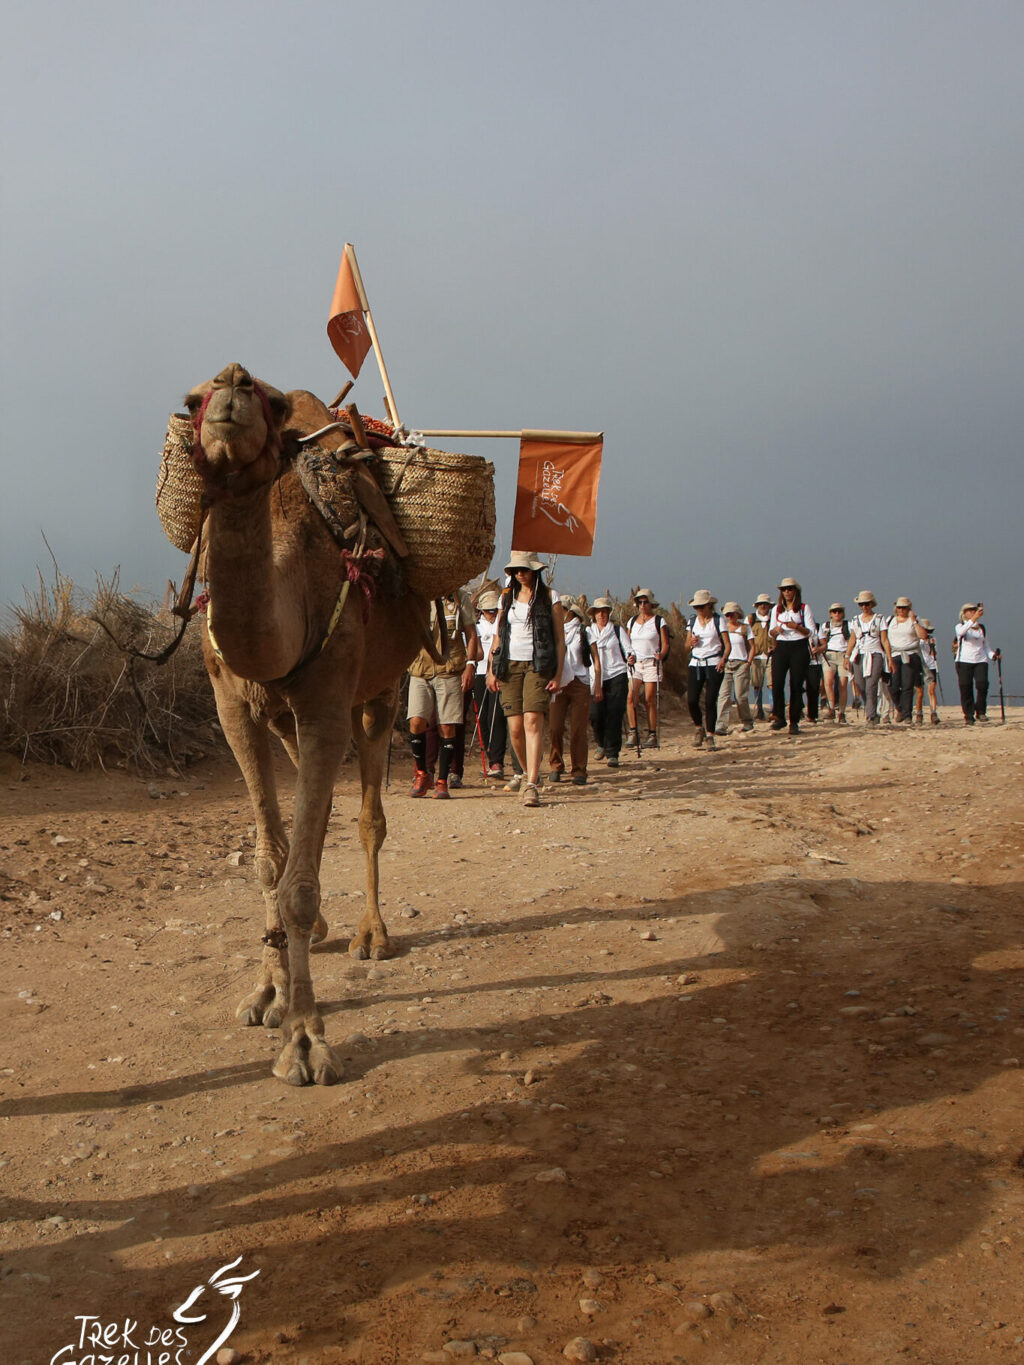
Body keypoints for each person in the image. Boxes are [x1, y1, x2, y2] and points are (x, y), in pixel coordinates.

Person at [486, 550, 565, 807]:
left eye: (525, 569)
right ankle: (523, 772)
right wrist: (490, 669)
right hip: (509, 665)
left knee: (533, 720)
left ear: (535, 570)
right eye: (515, 570)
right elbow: (498, 636)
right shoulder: (506, 598)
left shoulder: (550, 597)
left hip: (538, 665)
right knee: (515, 728)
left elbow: (559, 640)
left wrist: (558, 673)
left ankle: (532, 784)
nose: (520, 573)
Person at [407, 589, 480, 798]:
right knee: (416, 721)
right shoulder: (419, 596)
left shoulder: (459, 598)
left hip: (449, 669)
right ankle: (422, 773)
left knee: (447, 725)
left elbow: (471, 633)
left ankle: (442, 779)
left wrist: (470, 665)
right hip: (420, 669)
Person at [549, 598, 599, 785]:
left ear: (570, 611)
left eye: (562, 609)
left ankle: (579, 769)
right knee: (555, 727)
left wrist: (597, 684)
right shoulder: (553, 632)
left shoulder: (584, 631)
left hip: (580, 683)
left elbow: (595, 660)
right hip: (559, 682)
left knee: (578, 728)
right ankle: (556, 764)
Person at [587, 597, 631, 767]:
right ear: (594, 614)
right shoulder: (589, 632)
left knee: (614, 713)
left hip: (617, 674)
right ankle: (601, 742)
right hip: (595, 677)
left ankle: (613, 752)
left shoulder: (617, 631)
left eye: (605, 611)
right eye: (598, 612)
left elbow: (628, 649)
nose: (602, 615)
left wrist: (631, 657)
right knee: (595, 715)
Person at [769, 577, 815, 735]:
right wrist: (777, 631)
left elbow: (811, 632)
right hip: (781, 646)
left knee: (796, 684)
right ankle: (779, 716)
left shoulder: (804, 608)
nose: (787, 592)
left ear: (796, 591)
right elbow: (771, 631)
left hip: (799, 646)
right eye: (784, 589)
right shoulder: (776, 609)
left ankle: (794, 721)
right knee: (777, 682)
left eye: (790, 588)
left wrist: (796, 627)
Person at [625, 589, 670, 749]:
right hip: (636, 664)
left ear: (651, 603)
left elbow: (665, 644)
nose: (642, 605)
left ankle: (652, 733)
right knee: (631, 697)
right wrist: (628, 656)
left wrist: (661, 655)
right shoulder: (631, 622)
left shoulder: (659, 621)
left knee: (650, 698)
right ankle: (633, 731)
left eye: (645, 602)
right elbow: (627, 643)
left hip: (651, 663)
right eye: (640, 602)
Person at [685, 589, 726, 750]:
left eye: (702, 606)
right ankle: (698, 727)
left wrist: (723, 660)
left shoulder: (718, 621)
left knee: (710, 700)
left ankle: (710, 734)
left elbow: (727, 644)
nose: (699, 610)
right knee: (692, 699)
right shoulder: (693, 621)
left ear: (710, 605)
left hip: (713, 662)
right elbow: (685, 646)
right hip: (696, 663)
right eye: (697, 607)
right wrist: (691, 643)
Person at [473, 590, 508, 776]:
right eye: (488, 611)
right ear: (481, 611)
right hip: (479, 674)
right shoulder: (476, 627)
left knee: (497, 716)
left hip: (498, 674)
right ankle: (488, 754)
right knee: (483, 717)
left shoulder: (503, 625)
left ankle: (497, 761)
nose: (492, 614)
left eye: (495, 610)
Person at [845, 590, 891, 727]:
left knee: (871, 685)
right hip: (859, 654)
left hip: (875, 653)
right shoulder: (855, 620)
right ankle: (872, 710)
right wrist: (847, 656)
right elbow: (852, 639)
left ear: (871, 604)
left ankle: (870, 716)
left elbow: (884, 639)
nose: (864, 607)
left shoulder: (879, 619)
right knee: (860, 685)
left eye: (867, 604)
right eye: (862, 604)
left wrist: (889, 657)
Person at [955, 602, 1000, 725]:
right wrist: (973, 620)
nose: (972, 612)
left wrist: (993, 656)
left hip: (980, 660)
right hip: (964, 661)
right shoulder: (960, 626)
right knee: (965, 687)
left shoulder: (982, 629)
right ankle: (968, 715)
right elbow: (961, 633)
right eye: (969, 610)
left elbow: (986, 647)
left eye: (974, 610)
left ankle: (981, 711)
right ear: (964, 613)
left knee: (982, 684)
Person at [886, 596, 928, 724]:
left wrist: (914, 620)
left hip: (910, 654)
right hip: (895, 654)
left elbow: (923, 636)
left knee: (907, 685)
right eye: (899, 607)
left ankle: (907, 714)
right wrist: (888, 657)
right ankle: (900, 708)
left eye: (904, 608)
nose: (902, 610)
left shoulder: (914, 620)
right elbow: (885, 638)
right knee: (893, 686)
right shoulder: (890, 620)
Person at [715, 602, 754, 735]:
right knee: (723, 695)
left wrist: (748, 662)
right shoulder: (722, 628)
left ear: (737, 614)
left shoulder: (745, 628)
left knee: (740, 695)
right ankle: (721, 725)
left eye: (732, 614)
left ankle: (747, 721)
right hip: (726, 663)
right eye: (727, 614)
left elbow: (752, 646)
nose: (730, 616)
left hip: (741, 664)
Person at [819, 604, 851, 723]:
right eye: (834, 611)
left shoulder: (848, 626)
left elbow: (851, 640)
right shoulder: (825, 626)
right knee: (828, 682)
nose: (837, 613)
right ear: (830, 613)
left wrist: (849, 656)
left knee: (842, 685)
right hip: (829, 656)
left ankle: (841, 712)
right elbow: (822, 641)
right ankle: (831, 708)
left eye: (839, 611)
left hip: (843, 655)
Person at [747, 593, 774, 720]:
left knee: (772, 684)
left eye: (765, 604)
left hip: (771, 656)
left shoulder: (774, 618)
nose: (763, 606)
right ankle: (759, 710)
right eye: (760, 604)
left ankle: (773, 710)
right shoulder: (750, 620)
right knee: (756, 684)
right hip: (756, 657)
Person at [915, 619, 941, 725]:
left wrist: (932, 646)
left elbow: (934, 654)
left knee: (931, 690)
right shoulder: (916, 640)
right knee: (919, 692)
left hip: (931, 666)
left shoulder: (932, 640)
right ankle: (919, 714)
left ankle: (933, 712)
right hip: (919, 666)